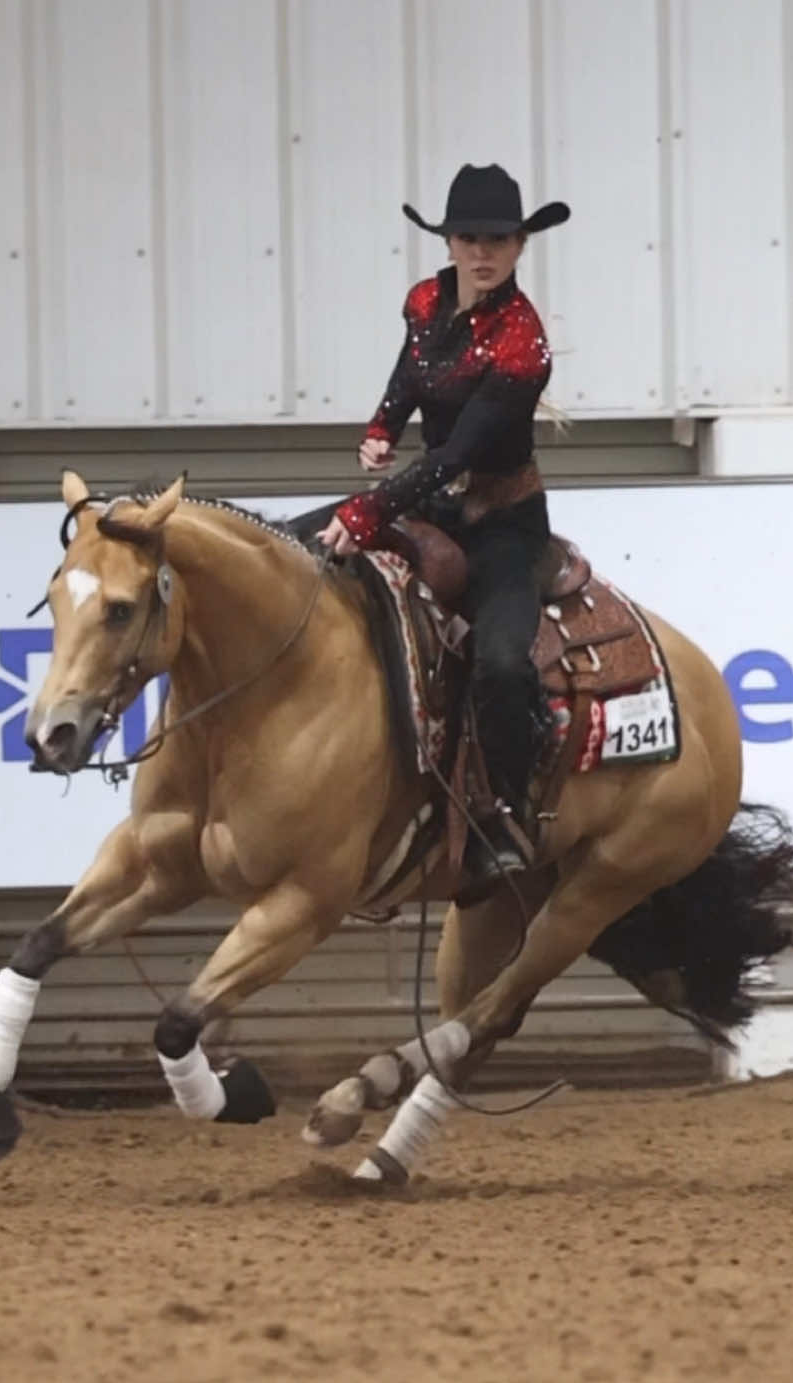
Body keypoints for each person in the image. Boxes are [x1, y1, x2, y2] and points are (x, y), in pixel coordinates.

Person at [318, 163, 570, 898]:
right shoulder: (425, 300)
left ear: (521, 246)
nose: (482, 253)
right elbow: (411, 372)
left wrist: (370, 509)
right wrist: (383, 424)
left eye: (498, 240)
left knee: (499, 661)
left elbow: (460, 453)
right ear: (450, 241)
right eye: (469, 238)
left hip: (504, 524)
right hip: (436, 507)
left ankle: (507, 816)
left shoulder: (524, 343)